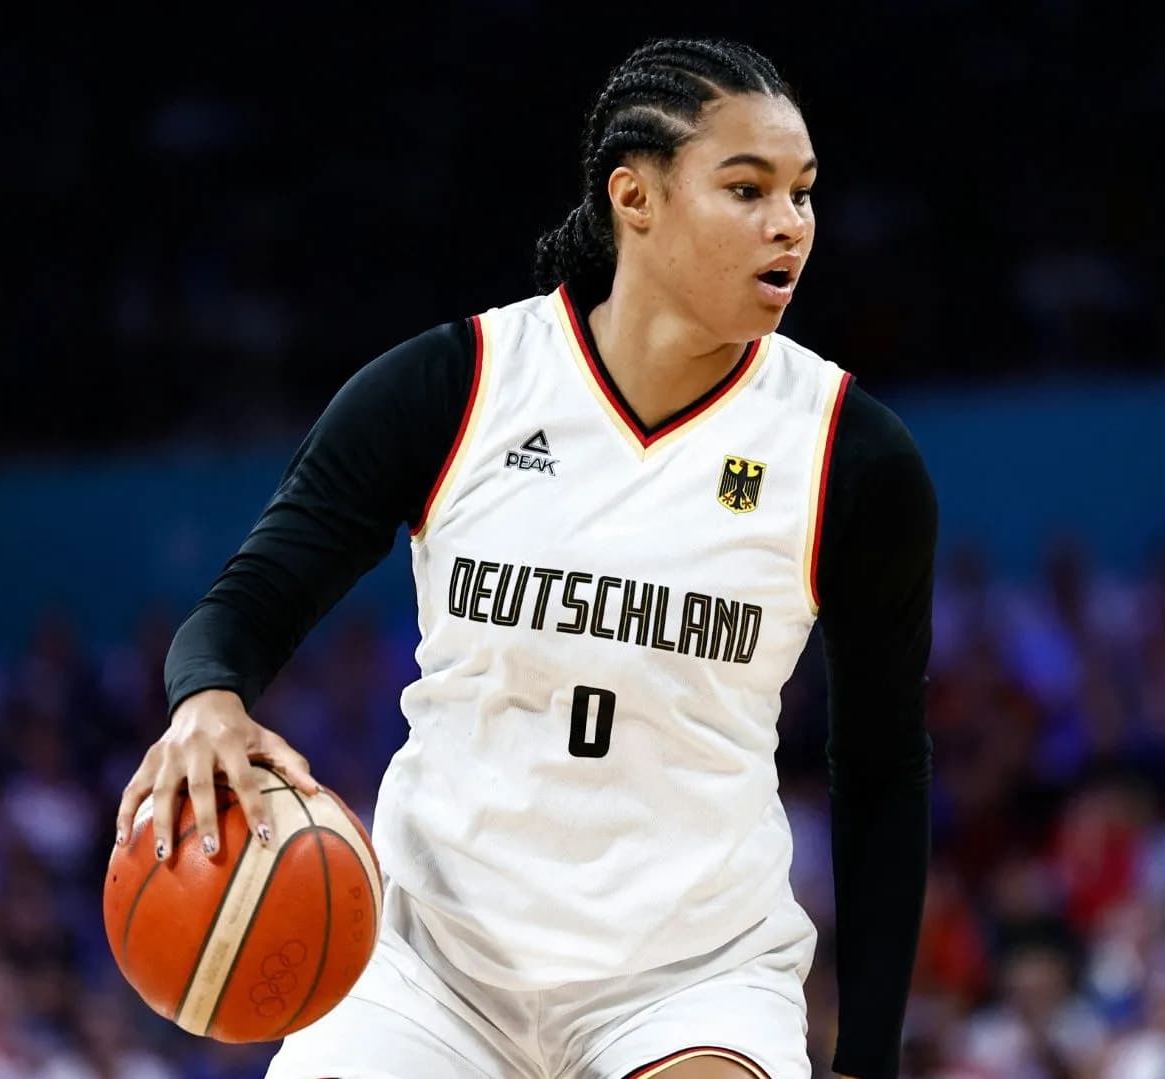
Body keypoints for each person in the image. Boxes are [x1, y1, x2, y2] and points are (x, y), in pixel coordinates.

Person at [113, 37, 936, 1079]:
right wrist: (208, 699)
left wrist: (867, 1057)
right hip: (432, 963)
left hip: (690, 976)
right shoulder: (457, 385)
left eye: (802, 193)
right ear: (635, 198)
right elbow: (251, 599)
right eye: (747, 189)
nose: (790, 224)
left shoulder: (847, 452)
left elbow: (881, 769)